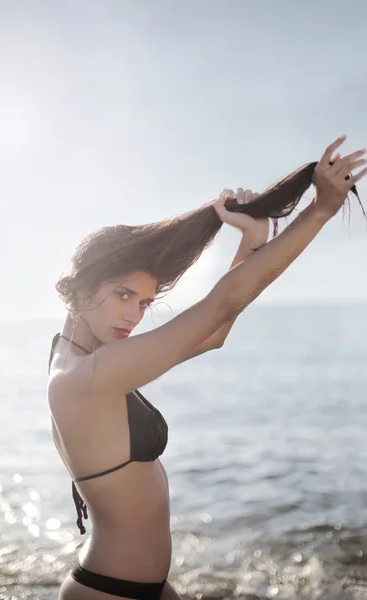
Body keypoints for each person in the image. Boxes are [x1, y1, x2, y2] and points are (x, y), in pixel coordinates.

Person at [47, 135, 366, 600]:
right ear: (76, 291)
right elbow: (220, 306)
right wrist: (318, 212)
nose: (134, 316)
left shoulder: (85, 360)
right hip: (110, 592)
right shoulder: (88, 377)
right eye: (122, 296)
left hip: (148, 588)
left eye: (144, 302)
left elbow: (213, 333)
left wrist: (252, 240)